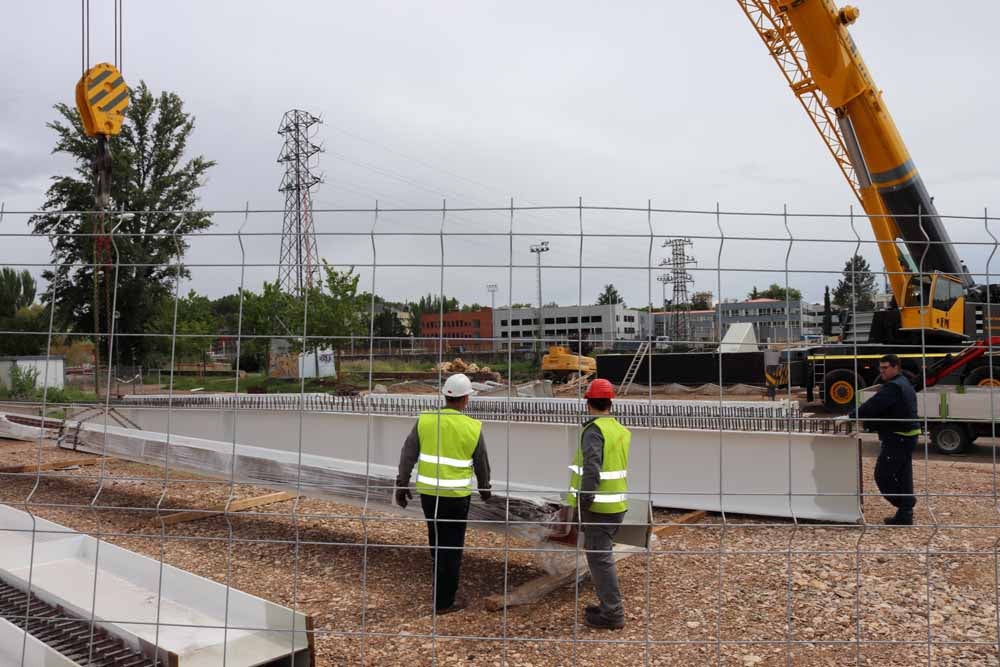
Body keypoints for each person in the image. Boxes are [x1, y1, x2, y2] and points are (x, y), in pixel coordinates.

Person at [395, 373, 491, 614]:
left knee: (437, 542)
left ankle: (442, 594)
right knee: (452, 546)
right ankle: (445, 601)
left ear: (445, 396)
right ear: (466, 398)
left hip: (429, 495)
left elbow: (407, 455)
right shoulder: (472, 427)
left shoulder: (425, 421)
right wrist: (485, 489)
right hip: (457, 497)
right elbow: (481, 463)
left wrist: (402, 484)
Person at [567, 378, 631, 629]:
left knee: (600, 560)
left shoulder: (594, 430)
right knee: (602, 557)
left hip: (599, 507)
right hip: (616, 504)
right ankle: (608, 607)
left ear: (588, 403)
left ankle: (613, 614)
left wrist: (584, 501)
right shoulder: (619, 429)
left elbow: (592, 468)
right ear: (610, 403)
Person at [845, 353, 919, 525]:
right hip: (908, 435)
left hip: (898, 437)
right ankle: (905, 514)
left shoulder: (893, 387)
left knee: (882, 475)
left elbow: (873, 405)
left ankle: (906, 504)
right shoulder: (904, 382)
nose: (882, 371)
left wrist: (851, 416)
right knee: (903, 475)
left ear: (896, 367)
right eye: (881, 368)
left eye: (885, 368)